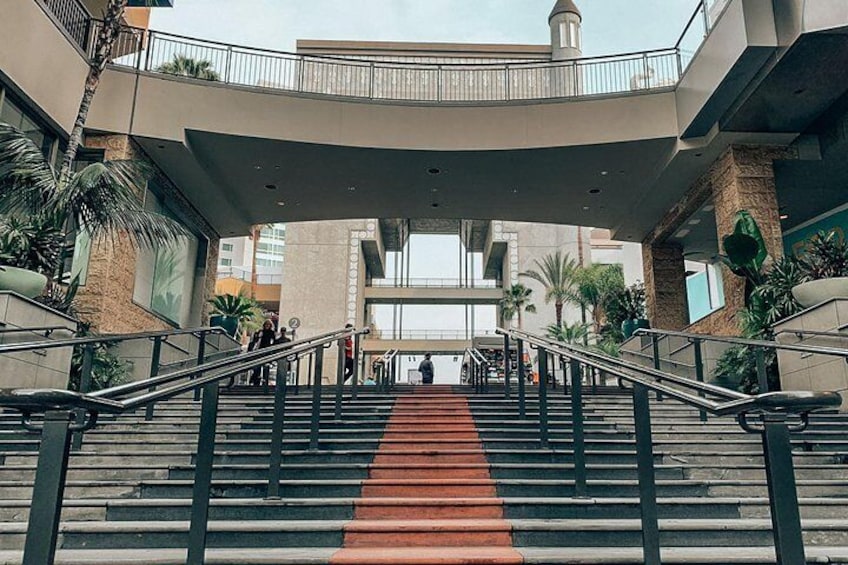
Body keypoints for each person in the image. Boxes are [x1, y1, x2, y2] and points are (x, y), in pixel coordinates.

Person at [248, 320, 277, 386]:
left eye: (268, 325)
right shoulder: (261, 332)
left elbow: (273, 342)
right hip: (259, 351)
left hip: (267, 352)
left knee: (266, 367)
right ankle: (256, 381)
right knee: (257, 367)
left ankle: (264, 381)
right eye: (266, 325)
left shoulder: (271, 333)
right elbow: (255, 341)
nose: (267, 326)